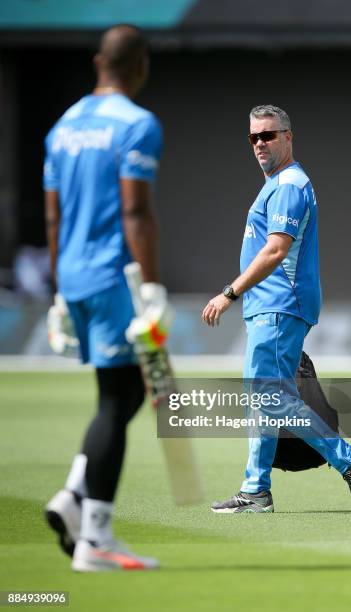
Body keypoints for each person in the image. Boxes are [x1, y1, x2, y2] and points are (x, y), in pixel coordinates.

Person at [202, 105, 351, 514]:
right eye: (254, 137)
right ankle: (256, 491)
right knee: (263, 398)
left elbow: (277, 250)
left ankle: (350, 460)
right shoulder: (279, 184)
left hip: (279, 305)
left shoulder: (289, 186)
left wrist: (229, 292)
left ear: (288, 137)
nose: (261, 143)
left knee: (270, 396)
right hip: (272, 306)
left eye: (269, 135)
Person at [43, 24, 167, 571]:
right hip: (115, 277)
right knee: (117, 400)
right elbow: (135, 211)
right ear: (140, 66)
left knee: (127, 393)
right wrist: (153, 288)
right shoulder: (137, 124)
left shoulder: (62, 127)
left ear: (98, 62)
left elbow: (53, 216)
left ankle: (73, 495)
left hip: (73, 276)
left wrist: (58, 291)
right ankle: (94, 538)